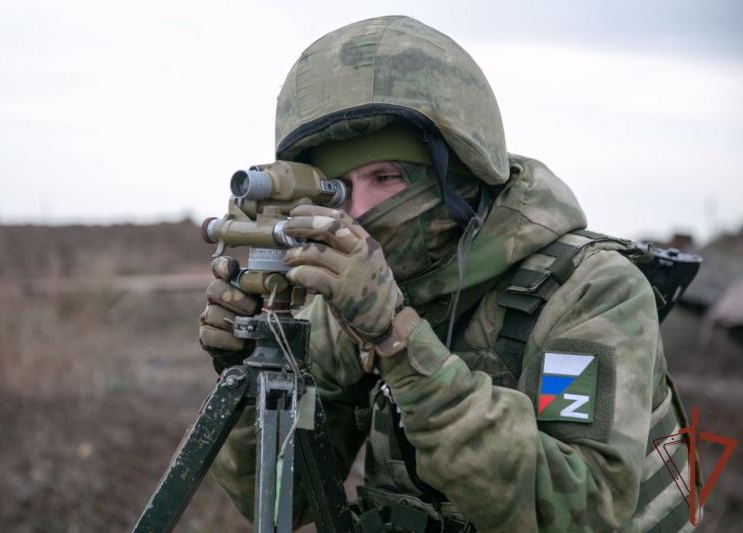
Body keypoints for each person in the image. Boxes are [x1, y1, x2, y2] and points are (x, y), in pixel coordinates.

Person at [199, 15, 696, 532]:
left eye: (386, 177)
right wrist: (253, 373)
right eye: (339, 189)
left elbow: (581, 511)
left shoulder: (590, 291)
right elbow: (284, 496)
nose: (359, 211)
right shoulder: (353, 299)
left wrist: (397, 341)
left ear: (459, 177)